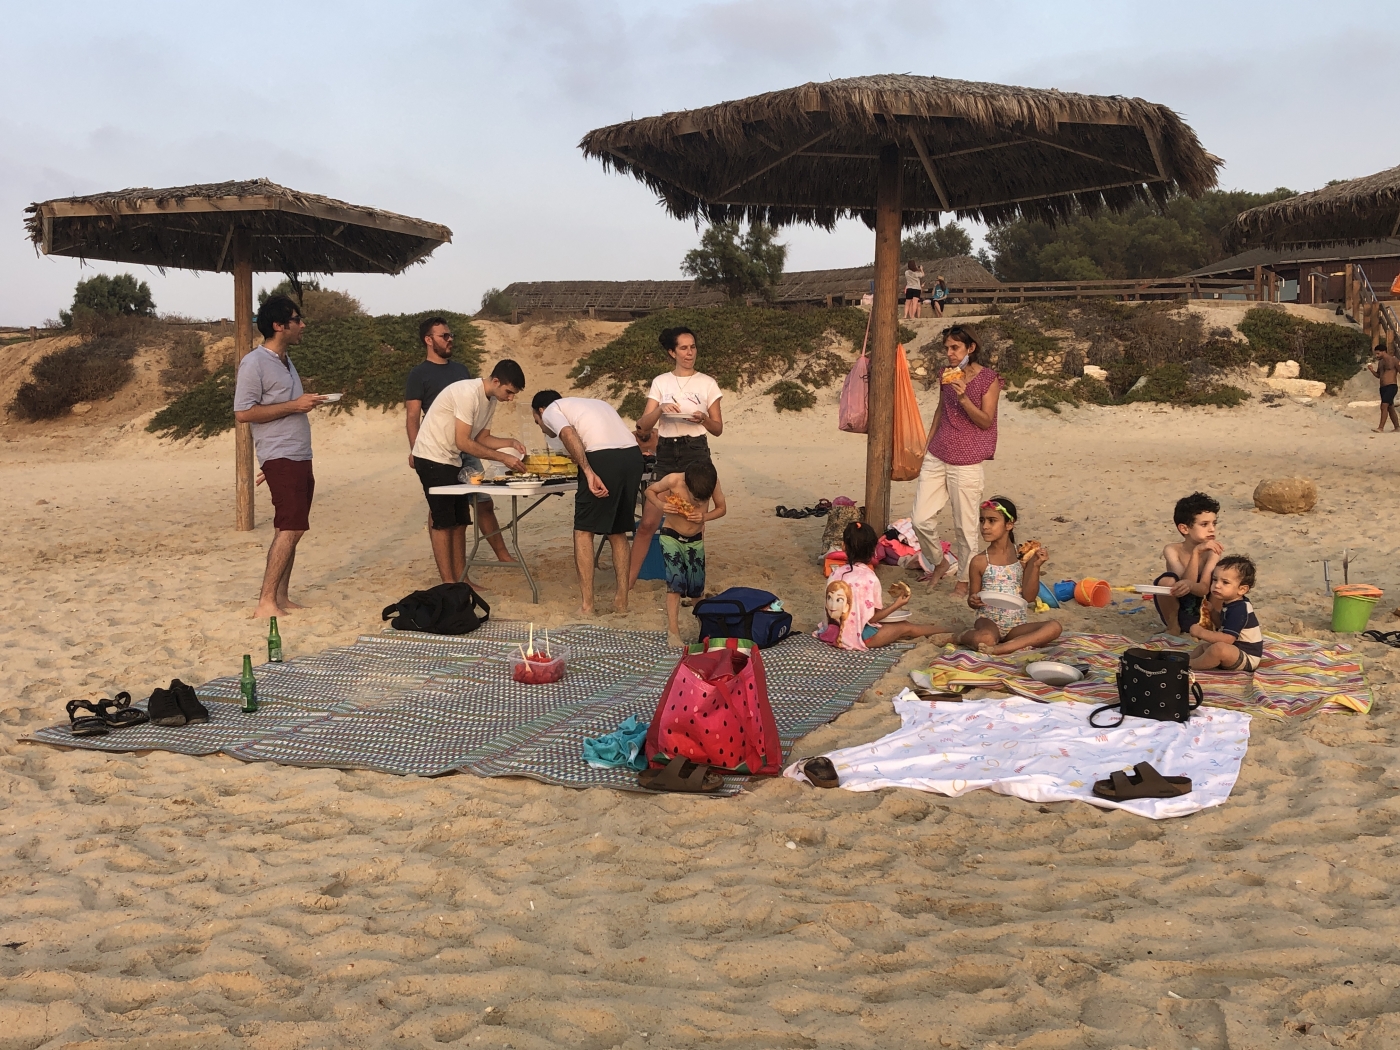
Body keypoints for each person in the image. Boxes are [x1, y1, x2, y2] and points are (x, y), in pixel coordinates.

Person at [233, 296, 327, 618]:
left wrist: (302, 404)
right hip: (281, 454)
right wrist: (295, 405)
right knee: (291, 527)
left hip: (299, 454)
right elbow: (243, 413)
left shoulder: (286, 361)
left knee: (292, 527)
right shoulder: (254, 362)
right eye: (297, 320)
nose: (303, 325)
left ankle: (281, 597)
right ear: (279, 325)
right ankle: (266, 602)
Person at [411, 361, 528, 584]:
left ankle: (462, 580)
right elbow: (463, 442)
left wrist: (510, 442)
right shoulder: (468, 393)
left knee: (461, 521)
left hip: (452, 458)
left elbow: (482, 438)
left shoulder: (490, 399)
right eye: (509, 392)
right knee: (444, 522)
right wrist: (503, 458)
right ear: (496, 381)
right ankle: (449, 584)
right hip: (431, 456)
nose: (511, 398)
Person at [532, 390, 644, 616]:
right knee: (617, 531)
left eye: (537, 422)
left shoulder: (551, 410)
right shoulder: (592, 403)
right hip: (633, 457)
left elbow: (567, 433)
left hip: (603, 457)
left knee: (583, 531)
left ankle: (587, 606)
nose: (542, 427)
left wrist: (588, 471)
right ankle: (621, 601)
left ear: (540, 411)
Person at [911, 325, 1002, 596]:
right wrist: (926, 445)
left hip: (968, 459)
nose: (949, 353)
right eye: (947, 348)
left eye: (955, 348)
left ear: (970, 348)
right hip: (938, 454)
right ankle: (939, 562)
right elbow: (941, 410)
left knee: (965, 526)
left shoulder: (988, 379)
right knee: (920, 519)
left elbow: (986, 421)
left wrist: (964, 398)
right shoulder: (945, 375)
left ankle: (964, 580)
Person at [628, 327, 723, 588]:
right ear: (672, 352)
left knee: (694, 522)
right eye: (683, 348)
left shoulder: (707, 383)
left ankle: (692, 584)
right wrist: (660, 409)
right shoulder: (661, 382)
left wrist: (703, 418)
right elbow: (642, 426)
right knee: (648, 522)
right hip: (667, 450)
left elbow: (717, 428)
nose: (689, 352)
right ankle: (628, 583)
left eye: (692, 347)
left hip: (696, 449)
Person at [816, 521, 956, 650]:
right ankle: (951, 630)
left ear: (843, 546)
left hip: (831, 632)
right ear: (874, 551)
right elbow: (872, 618)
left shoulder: (835, 573)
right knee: (906, 627)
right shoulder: (869, 578)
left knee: (890, 625)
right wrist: (897, 605)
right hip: (856, 637)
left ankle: (947, 629)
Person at [958, 497, 1062, 655]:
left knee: (1054, 627)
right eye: (982, 520)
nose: (985, 526)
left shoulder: (1023, 557)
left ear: (1009, 524)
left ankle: (1000, 648)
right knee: (986, 638)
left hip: (1016, 625)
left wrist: (1035, 566)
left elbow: (1029, 597)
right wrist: (973, 600)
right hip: (988, 622)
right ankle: (958, 637)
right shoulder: (979, 561)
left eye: (992, 521)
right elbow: (973, 600)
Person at [643, 460, 726, 649]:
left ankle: (704, 628)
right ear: (687, 485)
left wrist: (704, 516)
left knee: (697, 588)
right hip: (671, 536)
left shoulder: (712, 481)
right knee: (675, 584)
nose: (699, 504)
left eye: (703, 501)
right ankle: (673, 632)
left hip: (695, 539)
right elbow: (649, 491)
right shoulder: (673, 480)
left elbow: (722, 508)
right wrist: (661, 505)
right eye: (696, 499)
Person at [405, 315, 472, 469]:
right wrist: (416, 450)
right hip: (437, 452)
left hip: (467, 448)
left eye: (451, 335)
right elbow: (412, 416)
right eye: (444, 336)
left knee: (479, 485)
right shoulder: (418, 374)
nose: (450, 339)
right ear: (429, 340)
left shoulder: (461, 370)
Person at [1153, 492, 1222, 637]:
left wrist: (1198, 552)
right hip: (1181, 607)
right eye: (1204, 524)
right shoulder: (1172, 549)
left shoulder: (1212, 552)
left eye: (1214, 523)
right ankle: (1173, 627)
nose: (1212, 529)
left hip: (1205, 608)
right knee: (1166, 581)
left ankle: (1215, 626)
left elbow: (1203, 589)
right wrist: (1196, 553)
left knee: (1222, 581)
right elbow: (1185, 584)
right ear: (1184, 529)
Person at [1189, 555, 1263, 672]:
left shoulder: (1239, 609)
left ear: (1242, 589)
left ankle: (1190, 665)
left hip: (1247, 657)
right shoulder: (1231, 604)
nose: (1217, 585)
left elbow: (1228, 639)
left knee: (1218, 649)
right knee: (1203, 648)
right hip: (1234, 651)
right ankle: (1185, 660)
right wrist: (1212, 612)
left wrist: (1201, 632)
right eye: (1215, 579)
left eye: (1225, 582)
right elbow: (1222, 625)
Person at [1367, 343, 1399, 433]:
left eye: (1378, 353)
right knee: (1390, 407)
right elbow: (1378, 375)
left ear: (1384, 351)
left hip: (1391, 386)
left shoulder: (1393, 360)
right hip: (1383, 387)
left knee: (1384, 405)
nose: (1377, 356)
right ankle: (1397, 427)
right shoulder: (1380, 362)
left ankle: (1381, 428)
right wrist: (1371, 370)